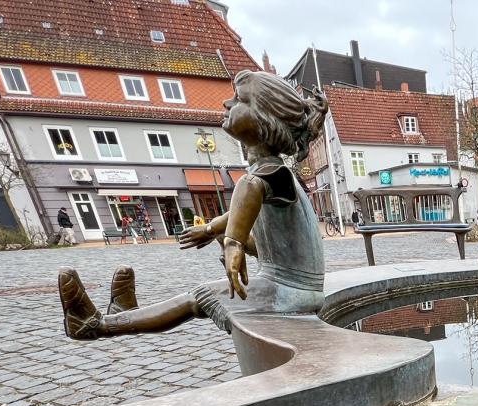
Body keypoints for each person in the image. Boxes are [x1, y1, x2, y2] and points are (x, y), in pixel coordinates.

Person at [58, 70, 328, 339]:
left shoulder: (272, 173)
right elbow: (243, 210)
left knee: (199, 297)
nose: (227, 104)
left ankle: (95, 325)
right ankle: (126, 314)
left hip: (293, 290)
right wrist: (212, 230)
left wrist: (234, 242)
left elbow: (249, 189)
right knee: (222, 236)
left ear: (263, 118)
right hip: (289, 277)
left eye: (239, 99)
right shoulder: (275, 171)